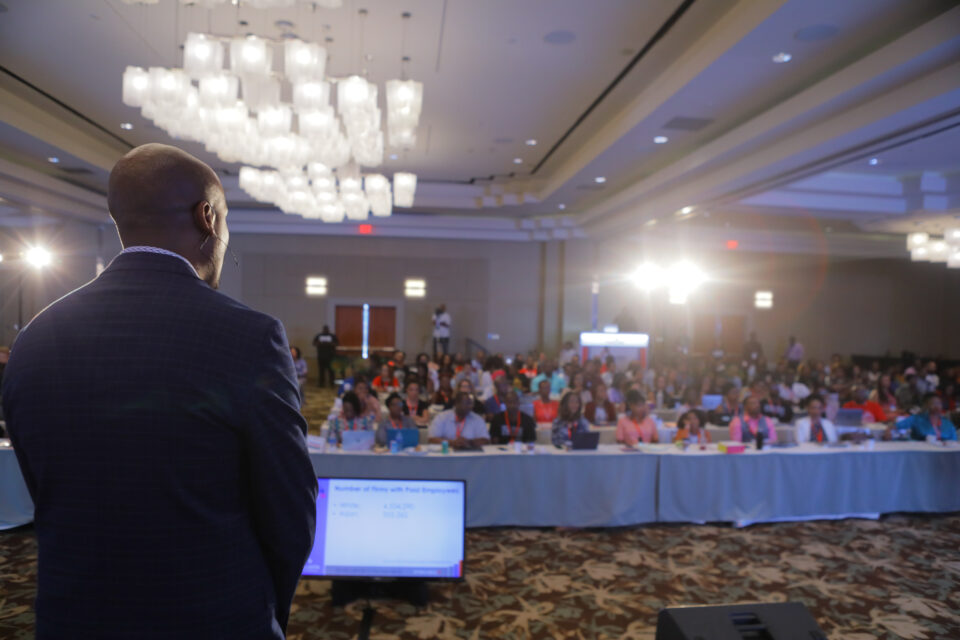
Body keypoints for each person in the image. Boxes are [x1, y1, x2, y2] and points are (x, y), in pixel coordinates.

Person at [1, 144, 317, 638]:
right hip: (212, 617)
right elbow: (289, 509)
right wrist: (263, 609)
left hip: (74, 616)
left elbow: (46, 487)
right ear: (207, 217)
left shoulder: (35, 338)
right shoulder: (249, 337)